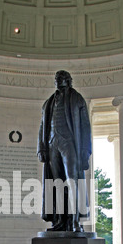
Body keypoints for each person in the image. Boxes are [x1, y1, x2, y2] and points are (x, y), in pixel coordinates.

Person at [37, 70, 92, 231]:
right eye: (57, 78)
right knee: (57, 183)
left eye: (62, 78)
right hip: (53, 142)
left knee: (72, 181)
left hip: (70, 143)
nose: (58, 81)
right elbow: (42, 127)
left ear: (68, 80)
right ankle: (60, 221)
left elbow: (85, 127)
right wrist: (41, 147)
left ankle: (74, 221)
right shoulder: (49, 102)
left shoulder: (77, 99)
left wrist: (85, 151)